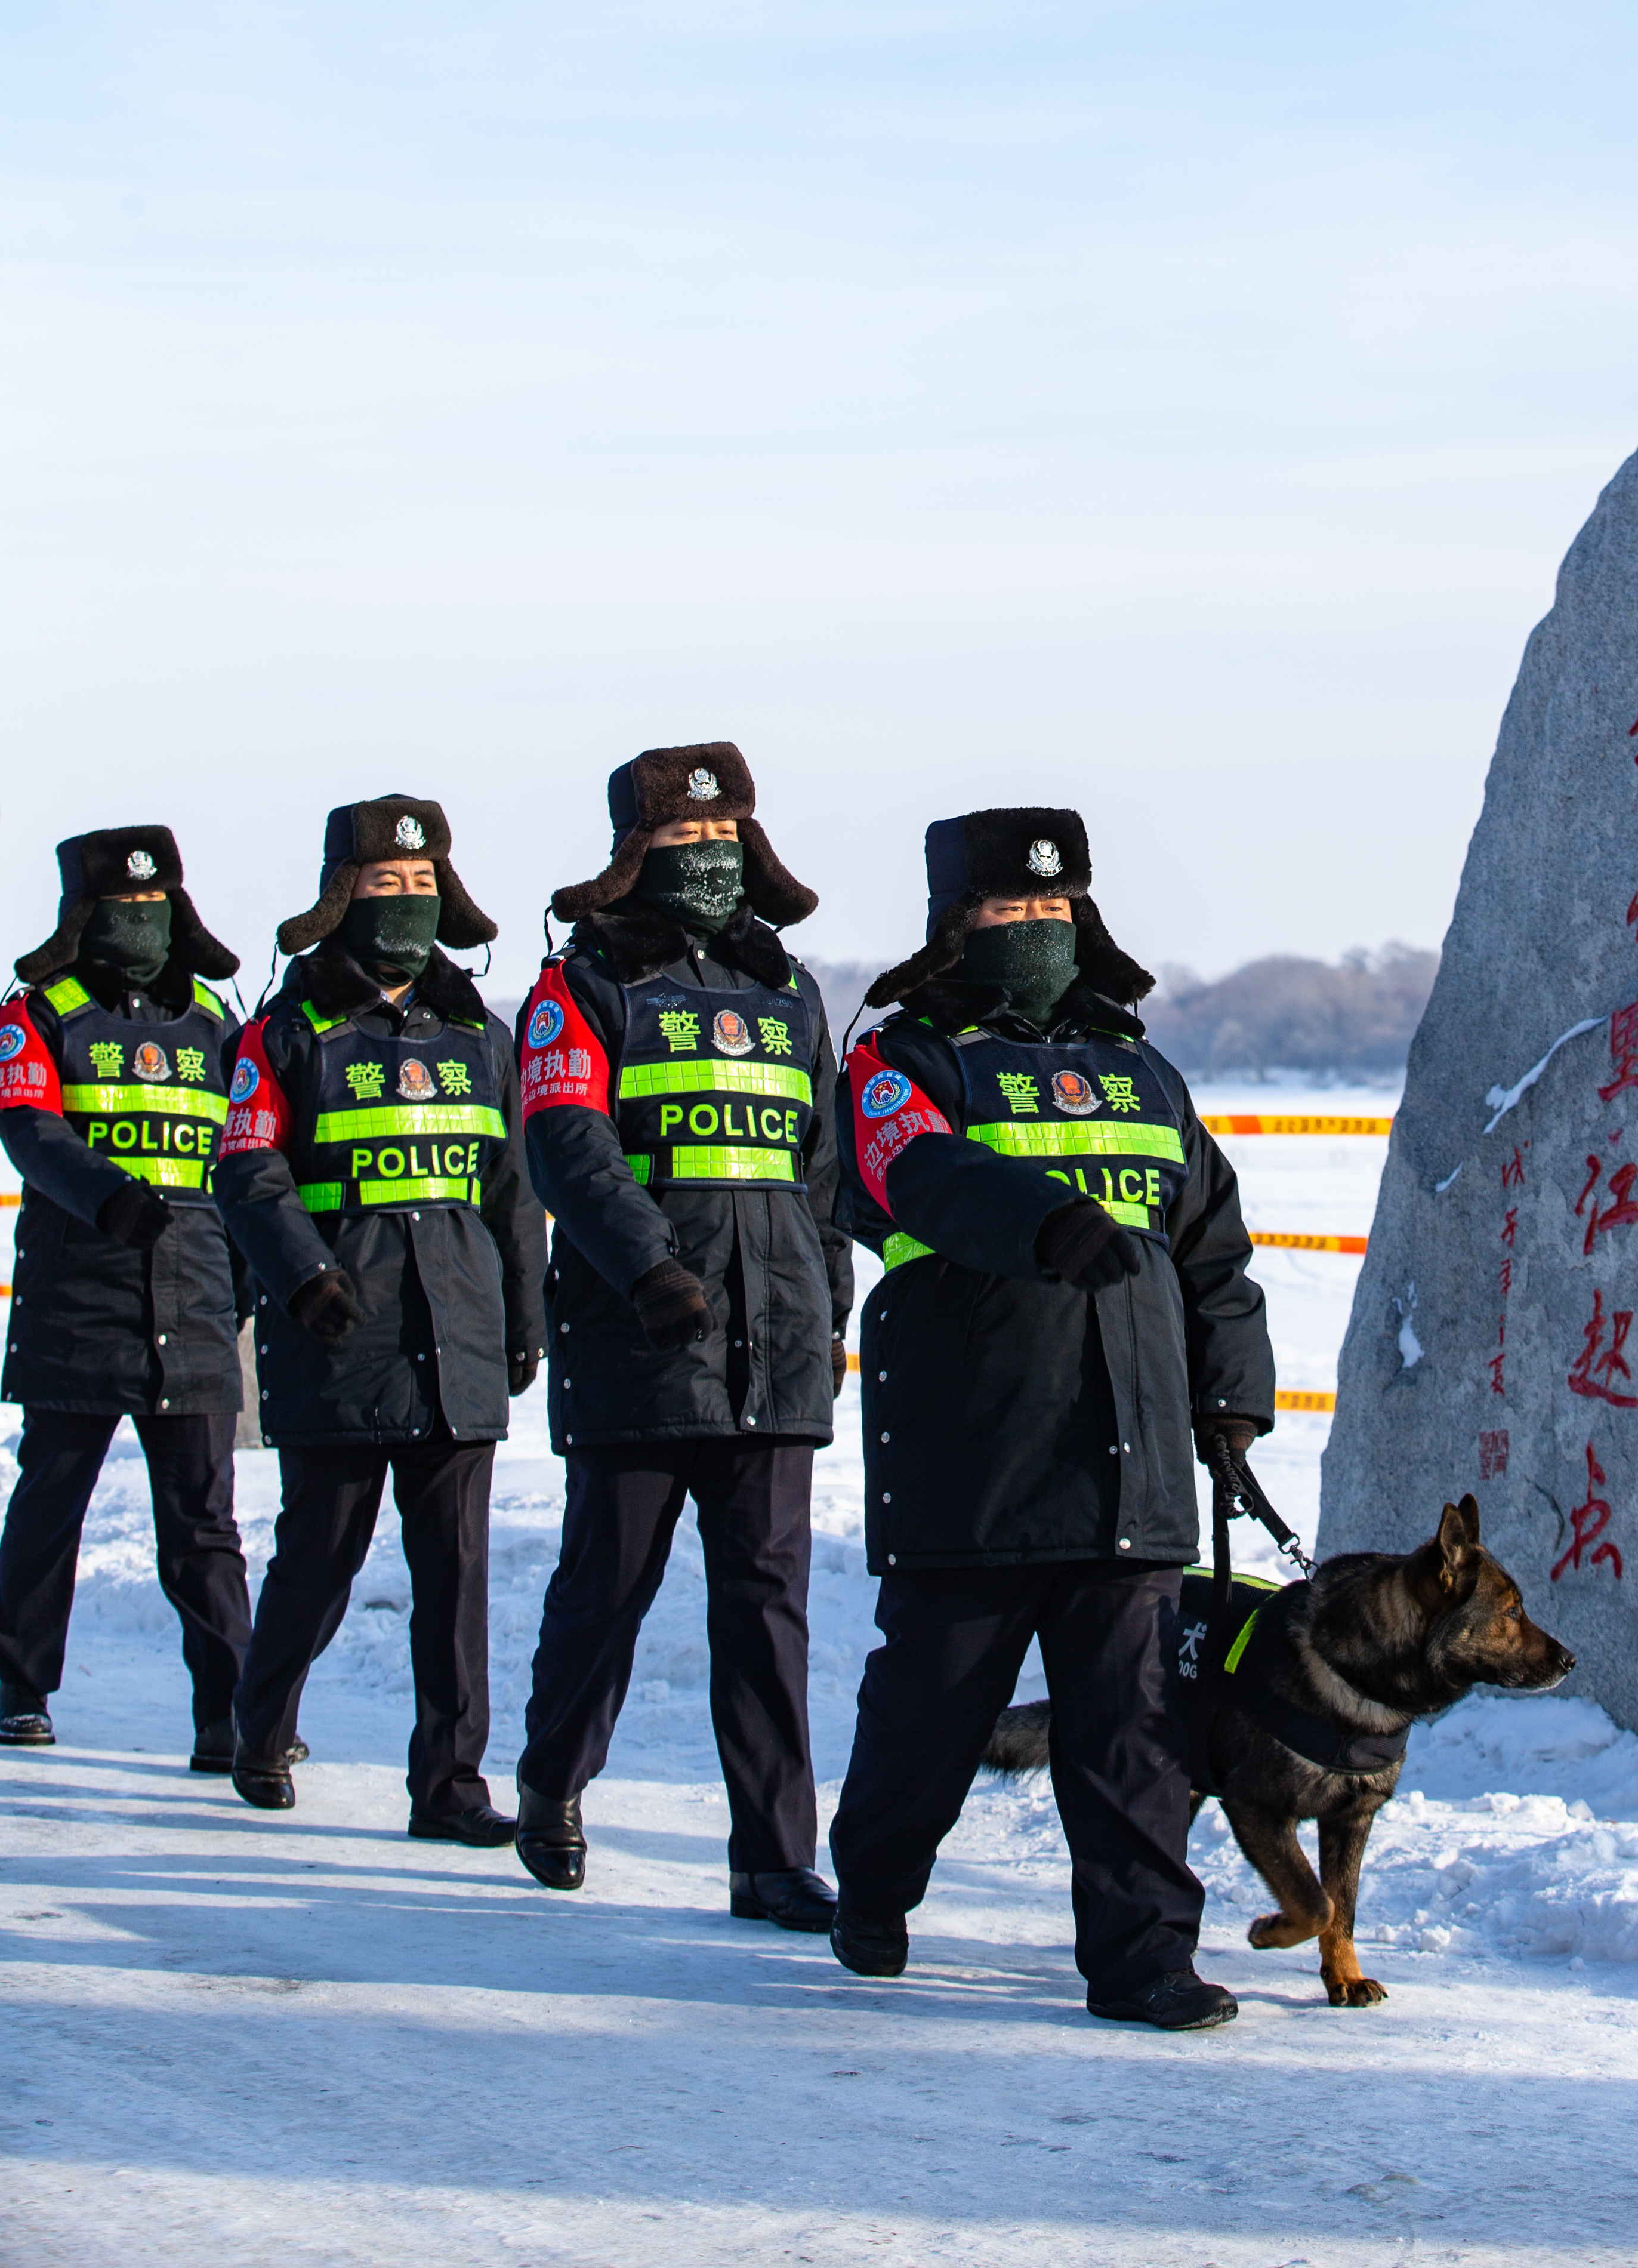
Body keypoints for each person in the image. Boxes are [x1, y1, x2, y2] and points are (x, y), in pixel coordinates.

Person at [826, 806, 1275, 2030]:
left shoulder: (1142, 1072)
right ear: (954, 924)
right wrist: (1043, 1223)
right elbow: (912, 1172)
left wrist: (1231, 1395)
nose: (1036, 928)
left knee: (1134, 1732)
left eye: (1054, 906)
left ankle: (1144, 1962)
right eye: (1007, 910)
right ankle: (873, 1883)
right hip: (973, 1455)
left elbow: (1214, 1253)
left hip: (1133, 1460)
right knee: (932, 1713)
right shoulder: (899, 1062)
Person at [511, 741, 847, 1927]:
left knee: (767, 1611)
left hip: (777, 1352)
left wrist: (828, 1311)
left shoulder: (788, 989)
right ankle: (552, 1788)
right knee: (608, 1587)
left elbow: (824, 1175)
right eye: (681, 842)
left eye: (724, 839)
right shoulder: (581, 987)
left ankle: (772, 1855)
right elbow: (567, 1142)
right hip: (641, 1342)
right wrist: (646, 1265)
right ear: (631, 856)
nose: (708, 861)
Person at [212, 796, 546, 1840]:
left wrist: (525, 1315)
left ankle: (449, 1790)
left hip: (459, 1342)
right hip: (338, 1336)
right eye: (382, 883)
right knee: (319, 1561)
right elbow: (247, 1166)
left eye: (422, 883)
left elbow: (512, 1191)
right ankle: (258, 1731)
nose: (405, 901)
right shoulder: (285, 1032)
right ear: (338, 895)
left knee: (455, 1586)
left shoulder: (481, 1036)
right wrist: (303, 1275)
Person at [0, 827, 253, 1764]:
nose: (141, 921)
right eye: (121, 907)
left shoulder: (218, 1021)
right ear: (82, 915)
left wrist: (249, 1275)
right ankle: (24, 1688)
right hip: (77, 1298)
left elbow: (253, 1156)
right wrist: (107, 1198)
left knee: (203, 1523)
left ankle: (228, 1712)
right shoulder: (39, 1015)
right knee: (52, 1503)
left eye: (155, 904)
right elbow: (26, 1124)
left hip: (198, 1298)